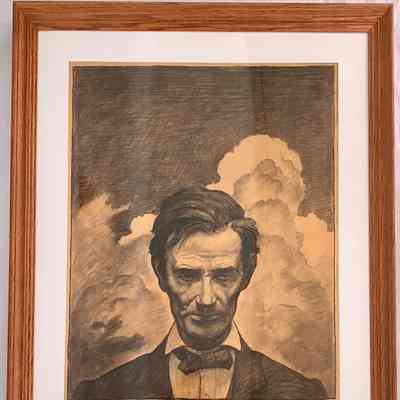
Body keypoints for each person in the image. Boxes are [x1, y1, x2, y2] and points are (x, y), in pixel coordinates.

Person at [74, 186, 327, 399]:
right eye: (187, 275)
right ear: (160, 273)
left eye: (223, 275)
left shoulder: (305, 394)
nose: (206, 299)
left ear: (247, 274)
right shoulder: (99, 394)